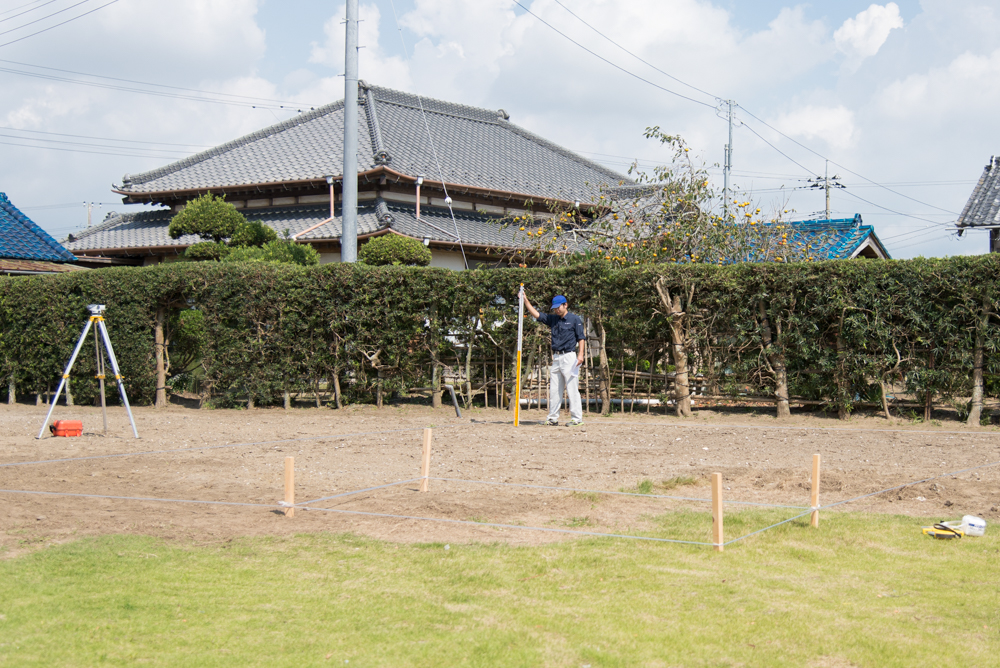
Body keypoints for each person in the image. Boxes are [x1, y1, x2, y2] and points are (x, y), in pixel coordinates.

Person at [523, 292, 586, 426]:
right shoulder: (553, 319)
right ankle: (552, 418)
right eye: (555, 308)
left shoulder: (575, 319)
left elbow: (581, 338)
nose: (557, 309)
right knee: (555, 389)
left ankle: (576, 418)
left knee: (572, 388)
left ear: (565, 305)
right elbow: (537, 314)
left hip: (570, 357)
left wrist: (581, 355)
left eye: (559, 307)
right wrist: (525, 300)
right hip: (556, 357)